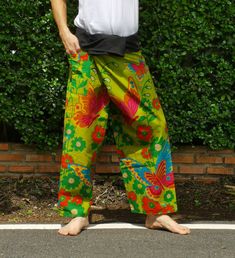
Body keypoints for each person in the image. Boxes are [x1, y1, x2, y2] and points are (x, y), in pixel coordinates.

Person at [50, 0, 191, 236]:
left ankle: (155, 212)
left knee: (151, 125)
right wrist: (64, 31)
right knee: (81, 132)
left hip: (128, 52)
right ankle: (78, 213)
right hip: (87, 52)